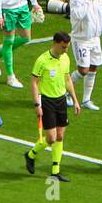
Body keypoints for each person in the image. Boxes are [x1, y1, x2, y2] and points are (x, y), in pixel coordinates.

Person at [25, 30, 79, 182]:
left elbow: (67, 79)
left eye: (67, 47)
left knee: (60, 135)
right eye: (63, 47)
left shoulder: (65, 58)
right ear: (55, 43)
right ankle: (31, 155)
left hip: (61, 100)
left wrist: (75, 100)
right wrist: (37, 104)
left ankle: (55, 171)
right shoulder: (42, 60)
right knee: (51, 138)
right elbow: (34, 83)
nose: (65, 50)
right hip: (47, 101)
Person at [68, 0, 102, 111]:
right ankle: (65, 90)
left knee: (93, 68)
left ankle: (86, 99)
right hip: (81, 40)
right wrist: (87, 0)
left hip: (95, 39)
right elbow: (78, 15)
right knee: (83, 69)